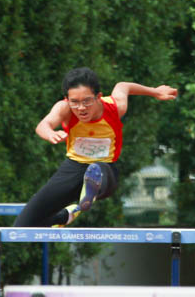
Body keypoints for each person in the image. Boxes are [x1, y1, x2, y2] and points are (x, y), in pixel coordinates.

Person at [13, 67, 177, 228]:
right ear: (67, 99)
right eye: (75, 102)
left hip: (105, 171)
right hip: (72, 169)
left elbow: (123, 86)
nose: (81, 108)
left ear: (98, 97)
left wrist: (155, 92)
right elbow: (44, 124)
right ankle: (65, 215)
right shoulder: (64, 108)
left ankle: (92, 188)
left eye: (87, 101)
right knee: (23, 225)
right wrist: (49, 133)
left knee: (96, 169)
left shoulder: (115, 107)